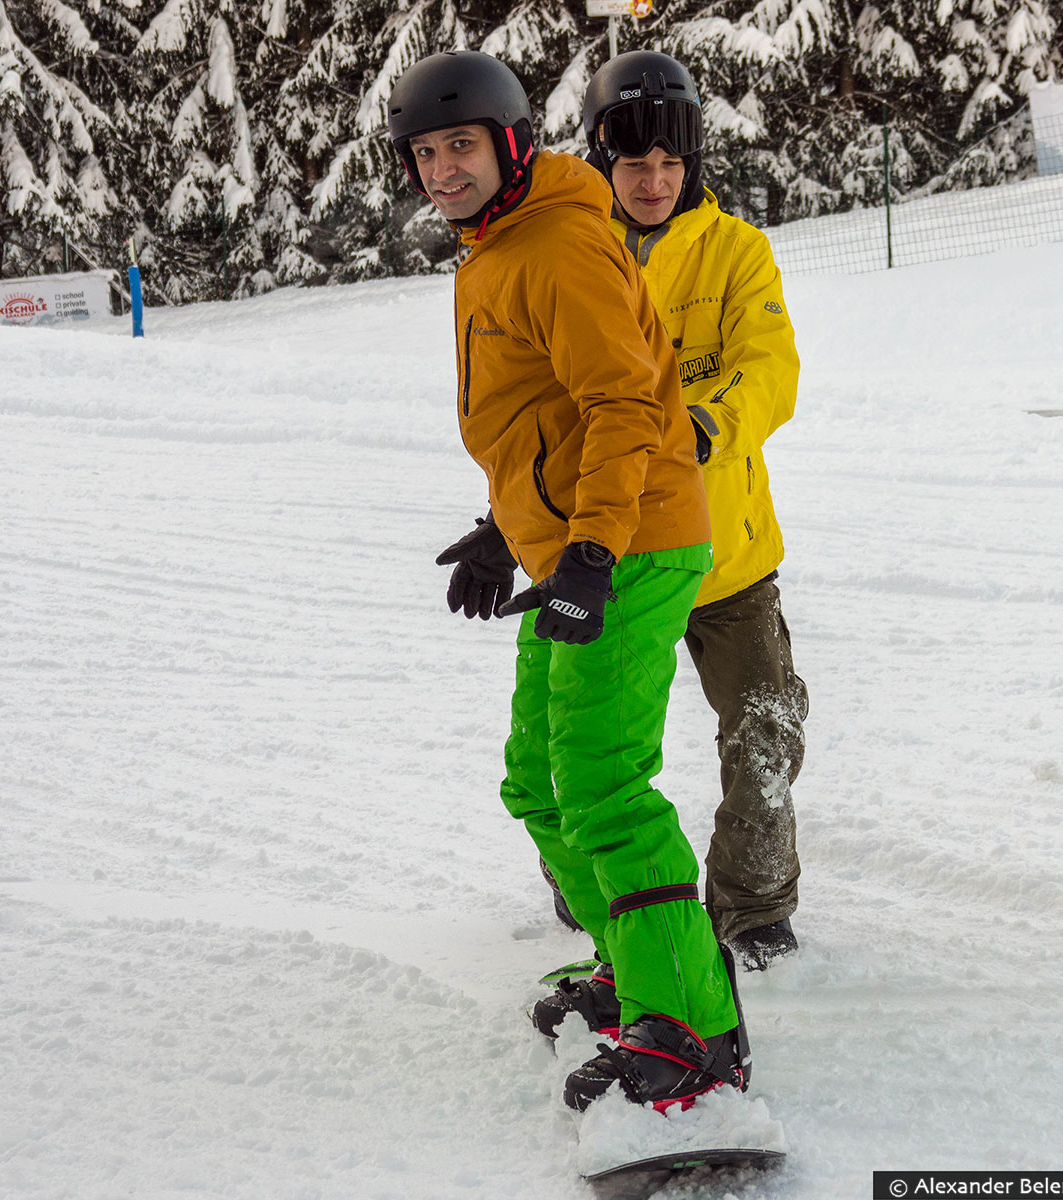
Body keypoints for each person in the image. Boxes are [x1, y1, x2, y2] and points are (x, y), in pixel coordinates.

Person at [386, 50, 753, 1113]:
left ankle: (692, 1031)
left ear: (508, 145)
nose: (443, 169)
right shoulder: (495, 246)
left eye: (461, 146)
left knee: (600, 781)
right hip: (579, 542)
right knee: (538, 776)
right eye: (425, 152)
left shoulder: (555, 246)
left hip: (631, 540)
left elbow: (630, 408)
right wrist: (508, 530)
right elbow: (543, 418)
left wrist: (589, 550)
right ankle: (630, 969)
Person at [575, 51, 809, 970]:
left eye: (672, 164)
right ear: (603, 161)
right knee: (593, 743)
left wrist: (712, 420)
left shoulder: (735, 250)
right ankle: (597, 886)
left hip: (725, 552)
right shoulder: (573, 254)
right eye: (635, 166)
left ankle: (753, 906)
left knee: (765, 727)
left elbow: (771, 368)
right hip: (614, 549)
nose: (655, 182)